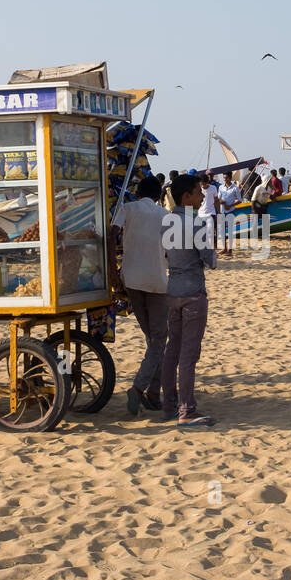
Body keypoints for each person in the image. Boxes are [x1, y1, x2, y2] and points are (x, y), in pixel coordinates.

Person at [109, 175, 169, 416]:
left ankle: (154, 395)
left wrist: (113, 272)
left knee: (153, 339)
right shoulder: (164, 215)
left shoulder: (127, 208)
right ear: (158, 195)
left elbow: (111, 236)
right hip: (156, 281)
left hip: (131, 280)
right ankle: (139, 388)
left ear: (137, 193)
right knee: (158, 339)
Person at [160, 175, 216, 426]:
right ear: (186, 197)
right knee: (188, 354)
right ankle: (187, 409)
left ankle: (169, 405)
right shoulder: (196, 225)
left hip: (173, 290)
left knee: (172, 349)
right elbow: (210, 261)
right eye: (197, 193)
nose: (202, 196)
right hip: (193, 292)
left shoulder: (166, 222)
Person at [217, 173, 240, 257]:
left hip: (231, 211)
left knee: (230, 232)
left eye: (226, 178)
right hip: (222, 211)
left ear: (230, 178)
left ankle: (230, 250)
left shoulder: (235, 188)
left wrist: (230, 205)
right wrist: (221, 202)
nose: (225, 179)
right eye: (224, 178)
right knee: (222, 231)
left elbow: (239, 200)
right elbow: (218, 198)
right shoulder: (220, 187)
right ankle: (224, 249)